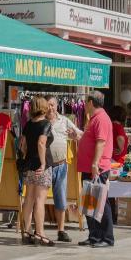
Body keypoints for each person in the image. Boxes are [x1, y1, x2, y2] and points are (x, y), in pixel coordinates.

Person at [71, 91, 114, 248]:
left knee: (101, 203)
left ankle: (107, 238)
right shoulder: (94, 119)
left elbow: (101, 142)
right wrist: (78, 137)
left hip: (97, 167)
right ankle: (94, 235)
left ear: (90, 103)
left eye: (85, 102)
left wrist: (95, 163)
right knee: (90, 203)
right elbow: (91, 140)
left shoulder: (101, 119)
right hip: (89, 167)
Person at [45, 95, 83, 242]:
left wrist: (75, 136)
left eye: (53, 105)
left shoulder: (64, 121)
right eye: (48, 105)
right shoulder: (40, 121)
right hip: (45, 166)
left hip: (61, 165)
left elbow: (79, 135)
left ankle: (61, 230)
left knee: (60, 198)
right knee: (39, 198)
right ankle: (38, 229)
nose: (50, 108)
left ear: (57, 106)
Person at [19, 96, 55, 246]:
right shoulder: (45, 124)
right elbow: (42, 143)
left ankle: (26, 232)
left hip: (29, 165)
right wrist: (43, 162)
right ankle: (40, 233)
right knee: (40, 200)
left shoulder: (28, 124)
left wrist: (29, 157)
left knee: (29, 199)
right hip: (41, 167)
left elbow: (23, 145)